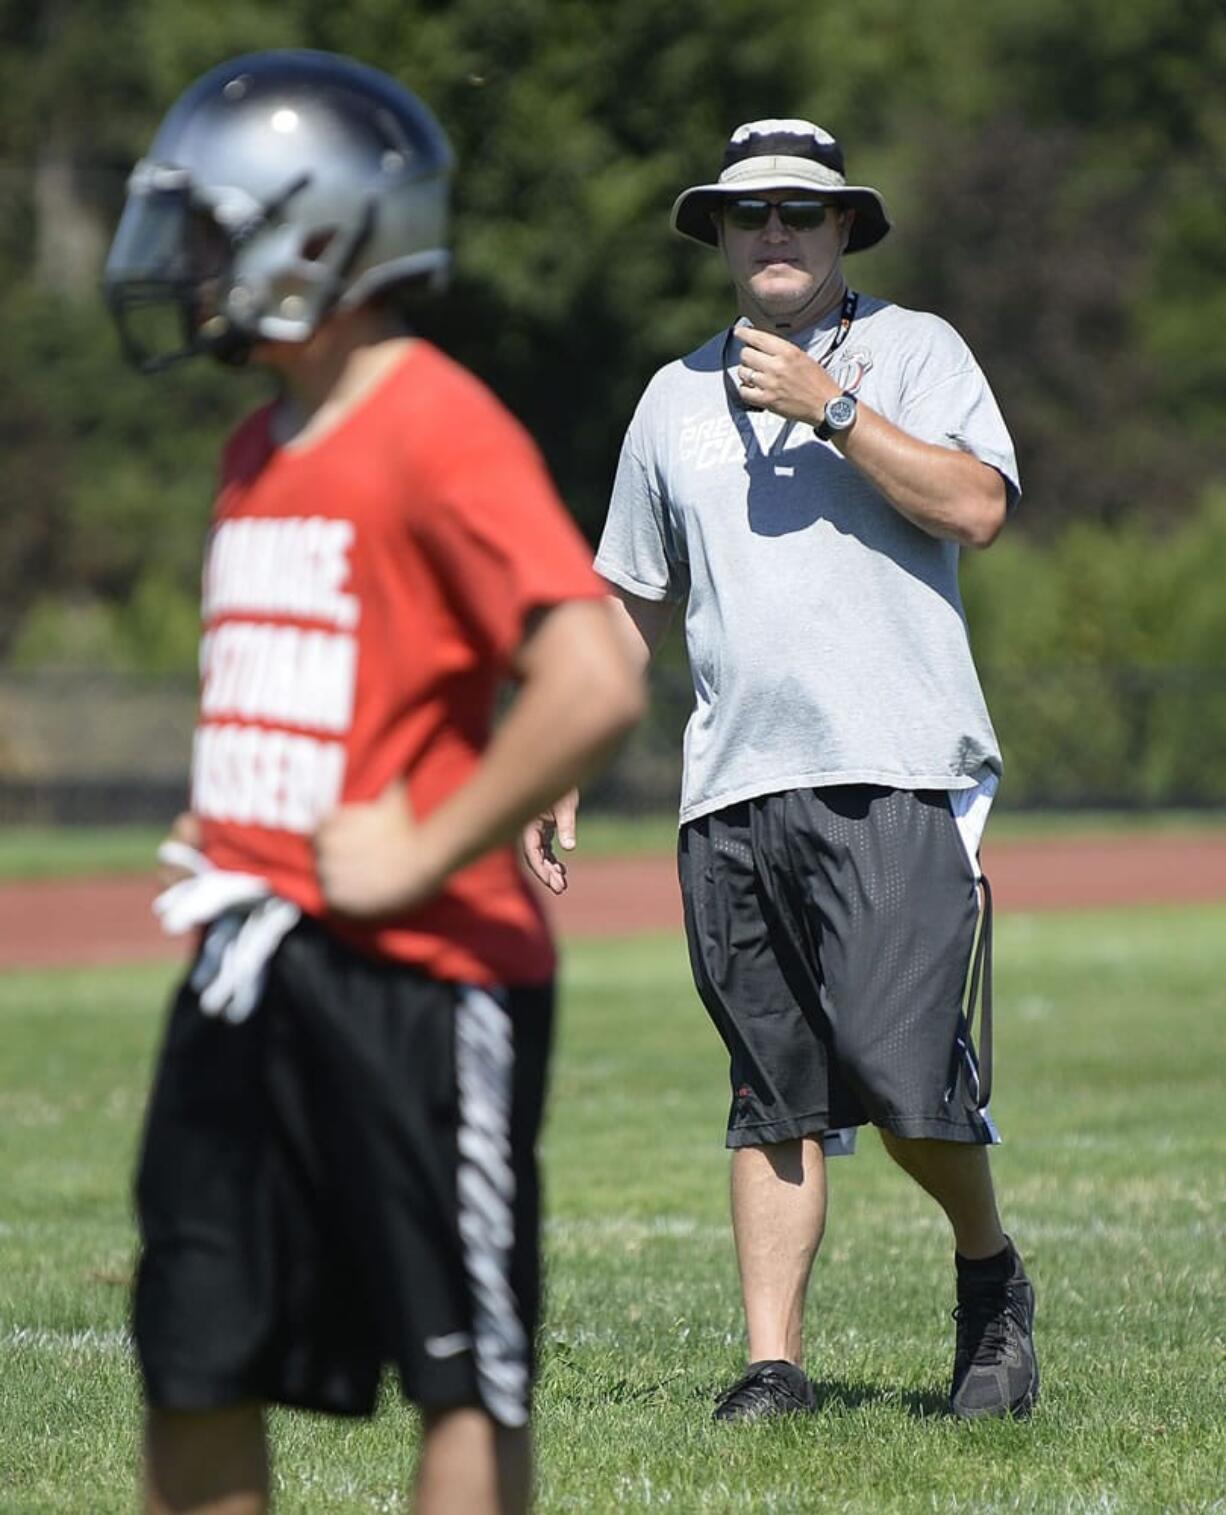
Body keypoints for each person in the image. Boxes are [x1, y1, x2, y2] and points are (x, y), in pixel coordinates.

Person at [103, 50, 643, 1515]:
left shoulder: (435, 423)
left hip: (423, 975)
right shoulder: (255, 440)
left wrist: (422, 848)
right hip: (248, 958)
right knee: (194, 1354)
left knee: (461, 1371)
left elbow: (593, 677)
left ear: (321, 233)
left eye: (214, 227)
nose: (191, 264)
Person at [523, 118, 1038, 1423]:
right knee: (770, 1091)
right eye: (746, 214)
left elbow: (975, 505)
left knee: (900, 1070)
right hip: (730, 791)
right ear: (716, 235)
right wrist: (562, 752)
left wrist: (837, 411)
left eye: (799, 214)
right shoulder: (667, 401)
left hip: (895, 770)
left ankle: (989, 1277)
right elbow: (623, 601)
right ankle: (774, 1366)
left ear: (843, 231)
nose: (771, 232)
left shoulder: (912, 352)